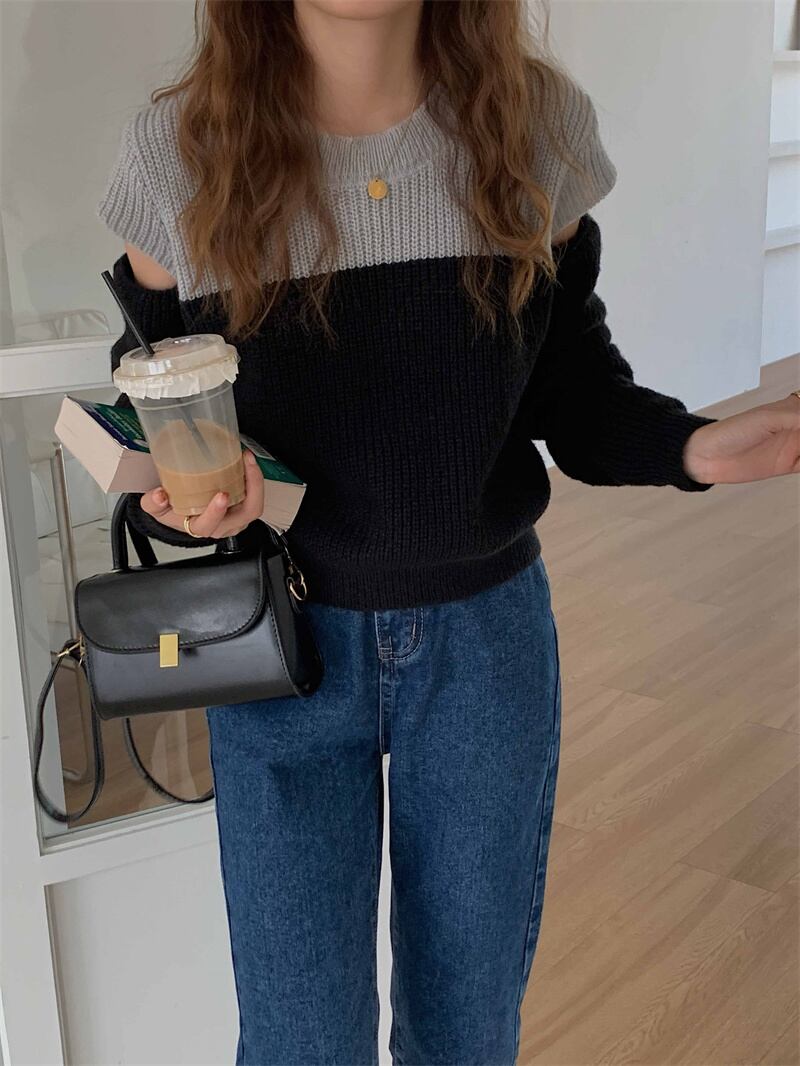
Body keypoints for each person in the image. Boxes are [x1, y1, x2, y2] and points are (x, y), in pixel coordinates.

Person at [96, 1, 800, 1062]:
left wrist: (694, 447)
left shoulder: (535, 127)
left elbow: (570, 391)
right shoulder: (177, 155)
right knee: (299, 1040)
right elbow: (155, 400)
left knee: (465, 1030)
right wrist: (185, 486)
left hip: (484, 648)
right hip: (275, 644)